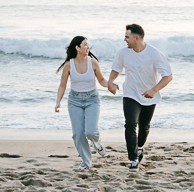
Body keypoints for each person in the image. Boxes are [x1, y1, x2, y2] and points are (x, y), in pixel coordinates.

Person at [107, 24, 173, 169]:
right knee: (130, 123)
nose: (124, 40)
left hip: (149, 95)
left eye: (127, 37)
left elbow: (168, 76)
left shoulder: (154, 54)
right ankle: (133, 159)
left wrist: (154, 90)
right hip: (131, 92)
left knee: (144, 127)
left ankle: (140, 146)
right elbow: (116, 69)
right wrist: (111, 82)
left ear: (137, 38)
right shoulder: (123, 53)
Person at [55, 36, 111, 170]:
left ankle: (97, 144)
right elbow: (62, 85)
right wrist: (58, 102)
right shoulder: (69, 65)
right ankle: (86, 162)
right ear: (77, 48)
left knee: (91, 132)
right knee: (78, 134)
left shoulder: (93, 62)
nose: (88, 47)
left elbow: (102, 80)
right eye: (85, 45)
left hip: (92, 99)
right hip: (74, 101)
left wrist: (111, 85)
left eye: (88, 45)